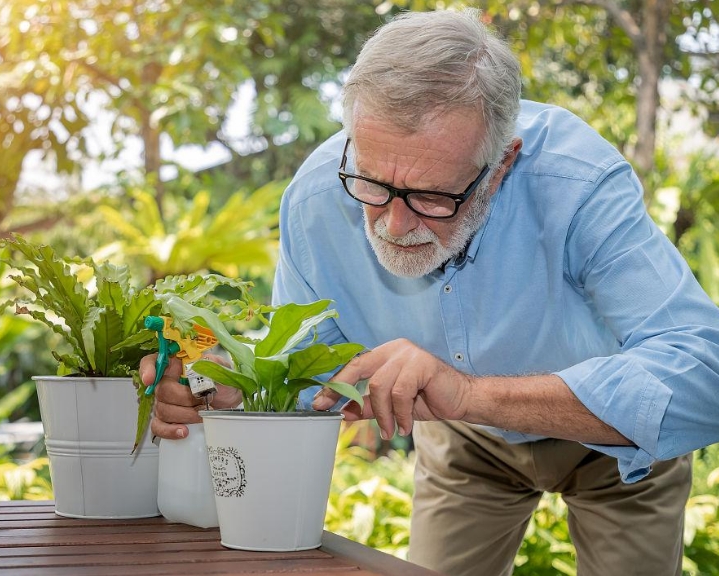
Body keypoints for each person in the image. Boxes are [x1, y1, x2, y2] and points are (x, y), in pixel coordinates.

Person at [142, 8, 719, 576]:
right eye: (371, 183)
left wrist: (467, 395)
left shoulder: (579, 182)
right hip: (467, 443)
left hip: (614, 443)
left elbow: (704, 375)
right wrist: (223, 384)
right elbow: (305, 356)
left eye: (434, 197)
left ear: (501, 166)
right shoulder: (317, 198)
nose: (393, 226)